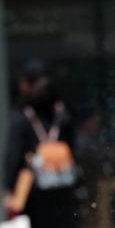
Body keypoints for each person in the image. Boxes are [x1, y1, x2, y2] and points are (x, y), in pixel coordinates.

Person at [3, 69, 79, 228]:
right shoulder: (64, 116)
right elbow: (73, 150)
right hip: (62, 185)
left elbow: (14, 155)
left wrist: (10, 188)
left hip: (33, 189)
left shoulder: (22, 118)